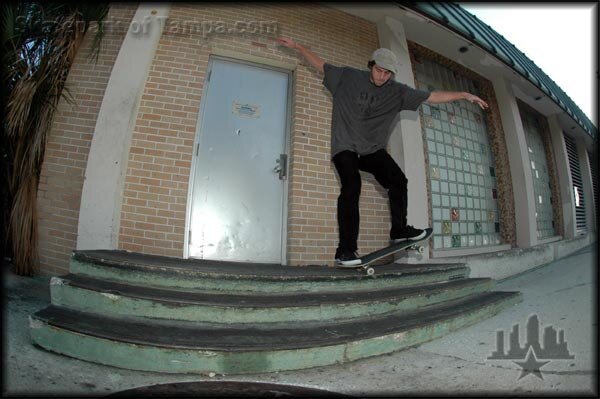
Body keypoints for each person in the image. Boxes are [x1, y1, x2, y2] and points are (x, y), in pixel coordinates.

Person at [276, 37, 489, 266]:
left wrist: (464, 95)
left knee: (398, 180)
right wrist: (299, 47)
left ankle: (399, 229)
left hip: (371, 150)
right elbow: (320, 64)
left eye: (388, 73)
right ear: (371, 65)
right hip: (344, 146)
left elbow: (432, 97)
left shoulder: (397, 92)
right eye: (379, 70)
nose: (382, 77)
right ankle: (345, 251)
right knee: (352, 185)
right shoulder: (348, 77)